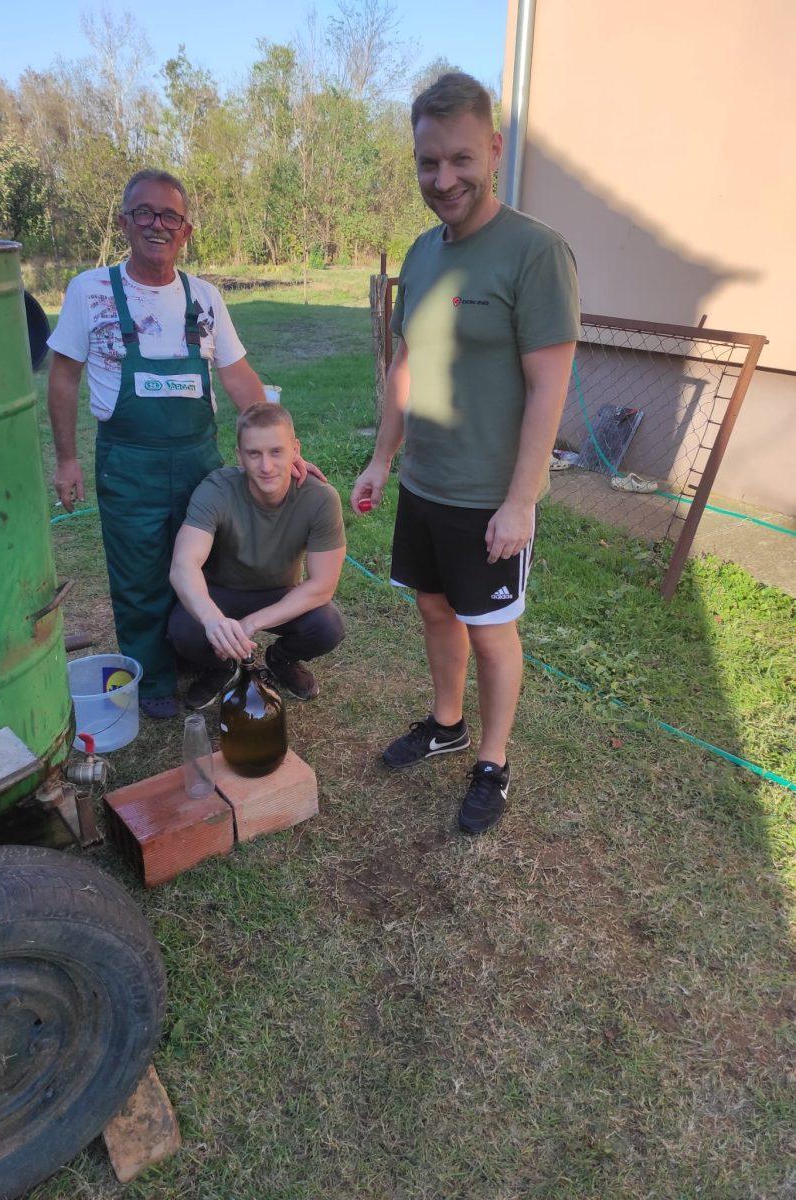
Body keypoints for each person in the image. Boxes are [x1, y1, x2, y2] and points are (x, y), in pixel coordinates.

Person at [351, 73, 580, 835]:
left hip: (490, 493)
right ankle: (445, 724)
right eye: (427, 163)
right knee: (431, 607)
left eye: (459, 159)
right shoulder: (420, 255)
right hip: (425, 482)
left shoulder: (536, 253)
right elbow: (405, 369)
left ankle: (492, 760)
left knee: (490, 631)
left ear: (493, 148)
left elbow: (548, 389)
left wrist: (521, 500)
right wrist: (384, 460)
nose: (443, 179)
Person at [46, 169, 320, 719]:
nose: (156, 224)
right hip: (128, 459)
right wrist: (68, 459)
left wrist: (284, 446)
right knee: (139, 570)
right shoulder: (90, 291)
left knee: (207, 562)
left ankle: (205, 652)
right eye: (143, 212)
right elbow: (63, 377)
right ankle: (151, 677)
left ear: (186, 230)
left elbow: (238, 375)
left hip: (199, 458)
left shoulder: (205, 297)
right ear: (124, 221)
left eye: (170, 215)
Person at [169, 403, 346, 708]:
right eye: (254, 454)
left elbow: (322, 585)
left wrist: (250, 624)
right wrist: (214, 621)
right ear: (239, 455)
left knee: (327, 626)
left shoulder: (319, 498)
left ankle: (281, 659)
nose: (266, 466)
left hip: (280, 593)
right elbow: (183, 565)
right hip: (222, 591)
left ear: (295, 450)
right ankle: (223, 667)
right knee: (184, 630)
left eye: (276, 452)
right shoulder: (217, 489)